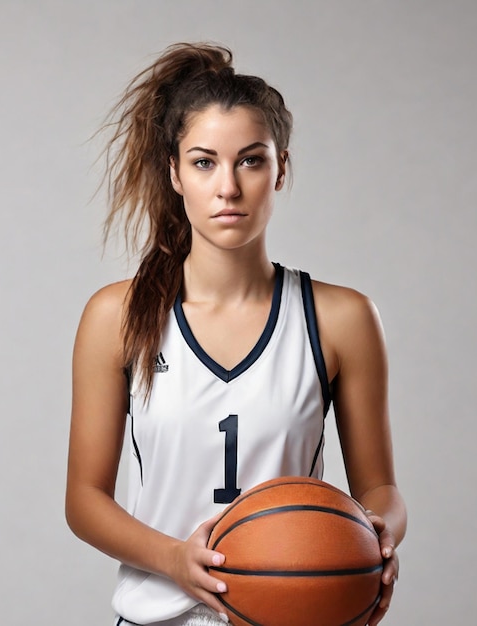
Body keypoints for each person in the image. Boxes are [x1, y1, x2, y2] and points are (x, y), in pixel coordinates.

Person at [65, 42, 407, 626]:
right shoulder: (117, 315)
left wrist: (374, 537)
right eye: (204, 162)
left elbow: (380, 489)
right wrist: (175, 559)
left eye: (250, 160)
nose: (228, 186)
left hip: (295, 616)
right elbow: (83, 502)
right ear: (174, 172)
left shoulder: (341, 318)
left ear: (281, 169)